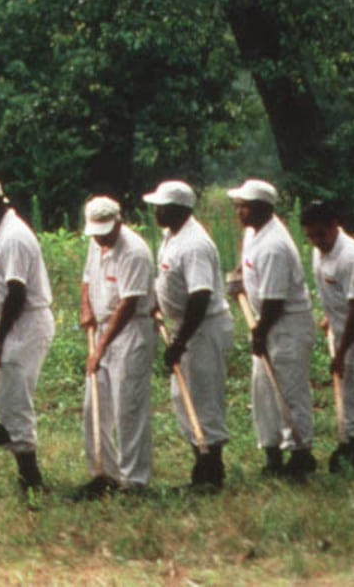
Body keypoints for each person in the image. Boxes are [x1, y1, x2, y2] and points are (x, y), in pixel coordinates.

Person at [144, 180, 233, 490]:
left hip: (203, 327)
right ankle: (201, 462)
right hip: (185, 325)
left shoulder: (195, 244)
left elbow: (200, 296)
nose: (156, 211)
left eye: (161, 206)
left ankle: (212, 470)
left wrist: (180, 341)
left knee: (204, 397)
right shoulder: (171, 237)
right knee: (183, 396)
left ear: (178, 210)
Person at [0, 176, 55, 493]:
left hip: (27, 323)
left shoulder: (14, 236)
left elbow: (17, 293)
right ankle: (25, 472)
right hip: (11, 321)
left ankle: (32, 480)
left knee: (17, 400)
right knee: (8, 400)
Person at [226, 178, 316, 480]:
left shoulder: (275, 245)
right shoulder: (255, 234)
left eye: (244, 206)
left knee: (290, 391)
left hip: (286, 325)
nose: (239, 211)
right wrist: (237, 277)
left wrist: (259, 331)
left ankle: (301, 454)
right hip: (266, 324)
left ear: (263, 209)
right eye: (238, 205)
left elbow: (275, 301)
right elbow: (249, 265)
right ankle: (272, 453)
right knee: (263, 391)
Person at [76, 197, 156, 498]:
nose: (100, 237)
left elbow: (128, 303)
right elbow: (86, 279)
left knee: (128, 408)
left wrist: (99, 349)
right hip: (103, 330)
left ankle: (134, 481)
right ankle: (102, 473)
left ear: (120, 222)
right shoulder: (96, 243)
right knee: (94, 406)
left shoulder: (134, 251)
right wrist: (86, 308)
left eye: (106, 231)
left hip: (130, 332)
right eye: (95, 231)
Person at [300, 200, 354, 473]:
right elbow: (335, 294)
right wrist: (329, 317)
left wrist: (340, 354)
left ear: (335, 225)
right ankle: (348, 444)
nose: (316, 241)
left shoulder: (353, 259)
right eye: (310, 235)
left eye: (321, 234)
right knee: (346, 394)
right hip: (342, 328)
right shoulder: (319, 251)